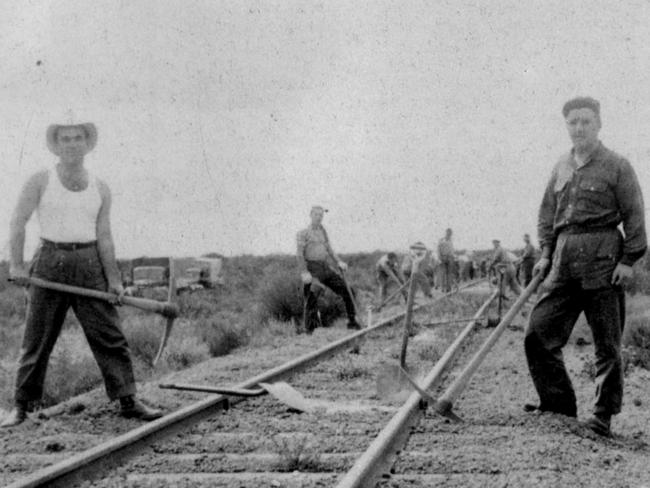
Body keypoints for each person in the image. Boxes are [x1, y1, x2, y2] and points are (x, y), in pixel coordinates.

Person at [2, 122, 163, 428]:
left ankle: (128, 399)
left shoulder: (100, 187)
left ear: (88, 145)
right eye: (66, 139)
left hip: (89, 264)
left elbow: (105, 236)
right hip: (50, 262)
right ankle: (21, 406)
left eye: (78, 139)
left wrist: (114, 280)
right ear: (56, 145)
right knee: (37, 338)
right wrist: (17, 266)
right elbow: (17, 222)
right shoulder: (40, 180)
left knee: (109, 336)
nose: (72, 144)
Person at [524, 97, 647, 437]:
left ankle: (602, 417)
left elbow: (635, 214)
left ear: (599, 125)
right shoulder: (561, 165)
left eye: (586, 122)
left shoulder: (617, 165)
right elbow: (547, 214)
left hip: (603, 263)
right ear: (567, 126)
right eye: (573, 122)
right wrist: (546, 252)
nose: (579, 128)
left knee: (606, 344)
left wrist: (628, 260)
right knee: (538, 333)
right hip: (563, 261)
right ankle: (558, 406)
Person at [297, 206, 361, 333]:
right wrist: (304, 272)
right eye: (316, 215)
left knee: (348, 290)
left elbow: (329, 249)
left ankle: (352, 321)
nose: (319, 217)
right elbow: (299, 254)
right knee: (312, 294)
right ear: (311, 215)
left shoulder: (323, 231)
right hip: (312, 268)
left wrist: (338, 261)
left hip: (325, 266)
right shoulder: (303, 233)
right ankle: (310, 331)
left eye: (321, 215)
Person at [437, 228, 455, 292]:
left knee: (449, 274)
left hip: (449, 258)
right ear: (446, 233)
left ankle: (448, 288)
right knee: (443, 274)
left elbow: (452, 250)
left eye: (450, 233)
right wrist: (440, 258)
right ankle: (442, 288)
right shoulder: (441, 240)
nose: (449, 234)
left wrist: (452, 258)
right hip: (443, 257)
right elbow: (438, 250)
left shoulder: (451, 241)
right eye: (448, 233)